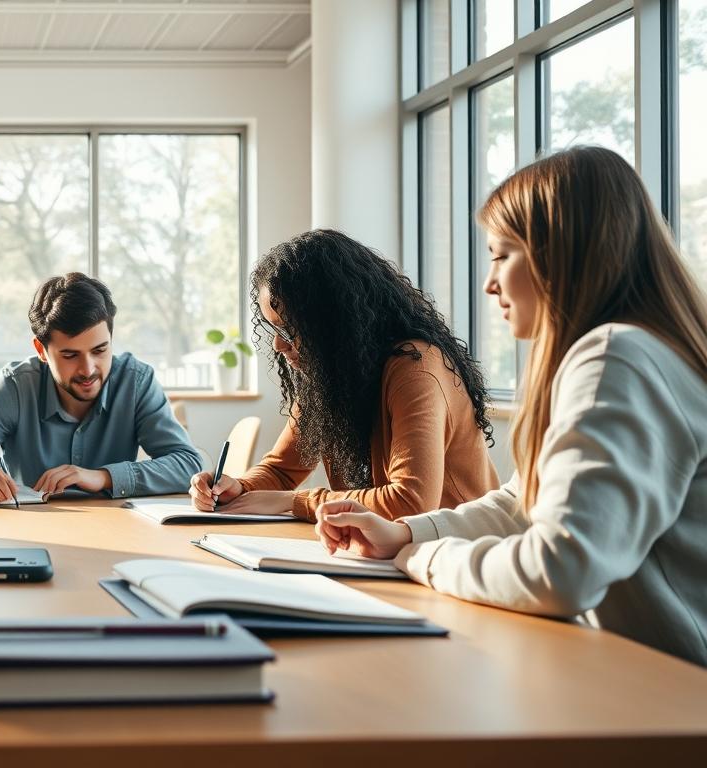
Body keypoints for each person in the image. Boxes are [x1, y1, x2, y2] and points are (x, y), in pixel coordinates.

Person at [315, 146, 707, 668]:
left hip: (667, 698)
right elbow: (521, 502)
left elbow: (560, 570)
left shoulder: (618, 358)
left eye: (502, 254)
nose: (489, 282)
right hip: (631, 675)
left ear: (561, 251)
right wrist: (404, 534)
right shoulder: (634, 353)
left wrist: (421, 557)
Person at [190, 229, 498, 521]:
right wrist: (238, 488)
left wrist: (294, 502)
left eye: (290, 329)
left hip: (459, 555)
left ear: (334, 323)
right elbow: (282, 471)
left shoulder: (415, 368)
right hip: (395, 552)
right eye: (275, 329)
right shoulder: (332, 378)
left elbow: (411, 503)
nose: (278, 344)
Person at [0, 272, 203, 503]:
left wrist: (102, 477)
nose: (88, 369)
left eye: (100, 350)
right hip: (27, 535)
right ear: (42, 350)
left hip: (116, 534)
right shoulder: (17, 386)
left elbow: (189, 464)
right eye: (70, 355)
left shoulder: (136, 382)